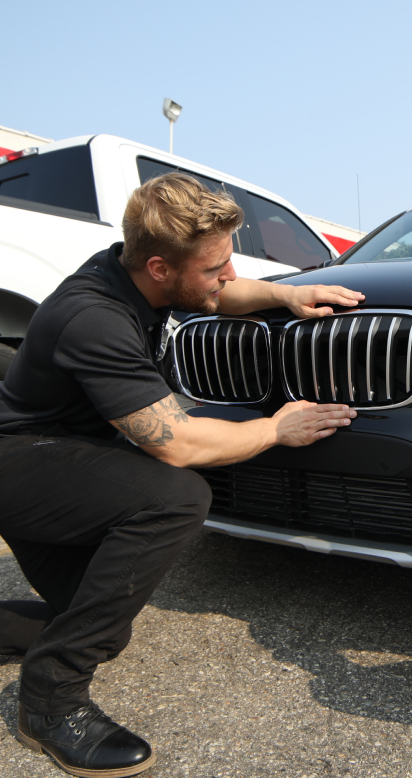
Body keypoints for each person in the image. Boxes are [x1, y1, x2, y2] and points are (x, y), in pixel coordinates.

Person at [0, 172, 364, 777]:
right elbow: (179, 443)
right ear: (161, 267)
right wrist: (277, 428)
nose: (229, 275)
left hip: (57, 458)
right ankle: (50, 700)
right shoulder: (92, 316)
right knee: (175, 496)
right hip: (19, 463)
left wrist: (287, 296)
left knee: (96, 626)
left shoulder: (136, 272)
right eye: (216, 265)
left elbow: (221, 294)